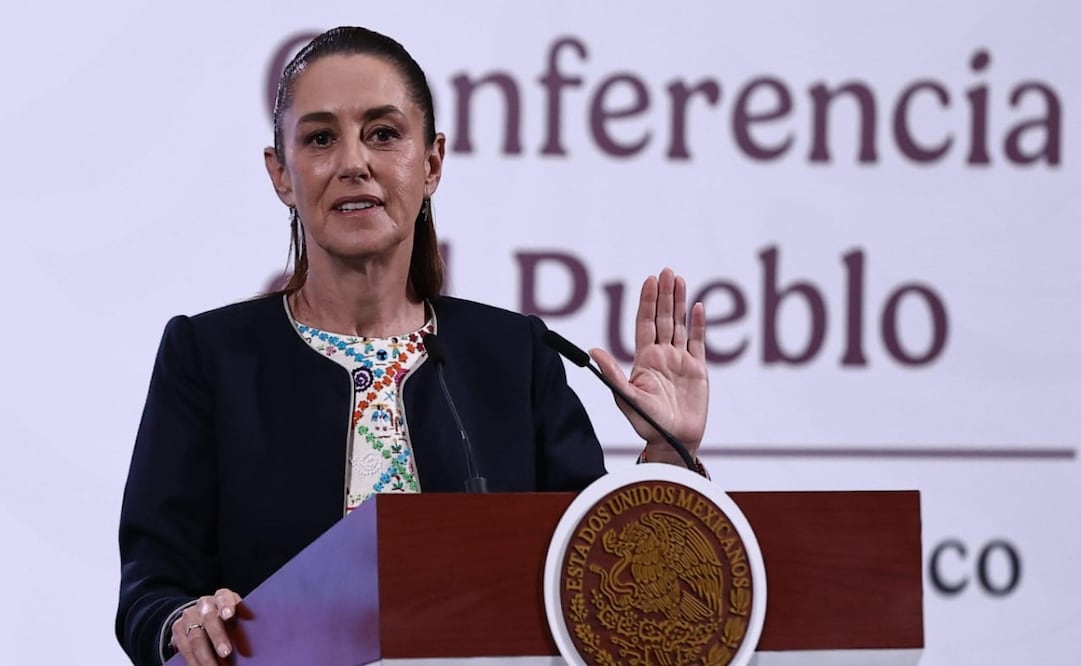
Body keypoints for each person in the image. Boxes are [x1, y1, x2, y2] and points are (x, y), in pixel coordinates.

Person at [115, 26, 708, 666]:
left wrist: (666, 456)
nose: (353, 163)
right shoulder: (208, 357)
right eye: (320, 139)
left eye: (383, 134)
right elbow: (151, 588)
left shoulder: (514, 356)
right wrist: (184, 622)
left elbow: (594, 578)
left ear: (431, 163)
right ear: (281, 174)